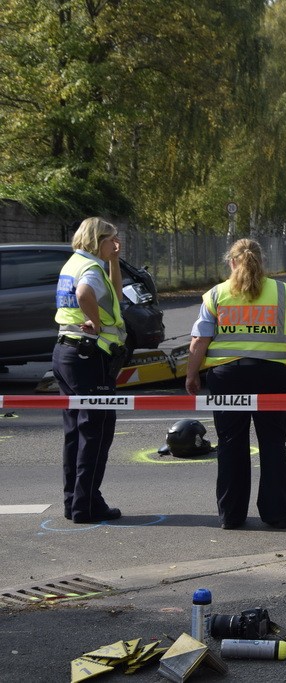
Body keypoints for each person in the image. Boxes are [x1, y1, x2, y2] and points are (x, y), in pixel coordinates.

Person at [185, 238, 286, 530]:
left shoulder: (216, 295)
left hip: (227, 377)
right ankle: (276, 514)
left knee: (230, 444)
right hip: (273, 375)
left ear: (231, 262)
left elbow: (200, 340)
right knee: (274, 443)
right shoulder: (283, 292)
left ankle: (232, 515)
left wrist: (192, 374)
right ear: (261, 261)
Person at [53, 217, 129, 523]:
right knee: (96, 432)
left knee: (75, 432)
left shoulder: (76, 262)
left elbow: (115, 295)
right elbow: (85, 293)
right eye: (112, 238)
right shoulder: (89, 270)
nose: (116, 243)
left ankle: (73, 501)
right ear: (99, 239)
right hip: (88, 357)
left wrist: (114, 261)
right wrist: (96, 324)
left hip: (66, 353)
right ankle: (88, 505)